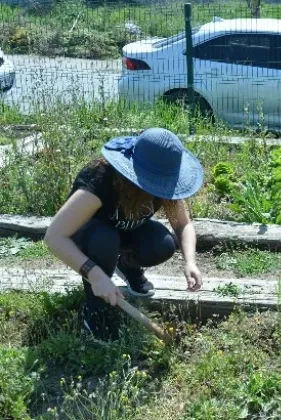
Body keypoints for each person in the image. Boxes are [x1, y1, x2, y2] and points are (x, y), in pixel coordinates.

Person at [44, 128, 205, 342]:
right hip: (90, 238)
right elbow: (54, 237)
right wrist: (95, 274)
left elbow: (183, 224)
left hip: (125, 231)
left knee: (162, 244)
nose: (160, 190)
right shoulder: (99, 182)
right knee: (105, 241)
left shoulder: (165, 184)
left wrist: (191, 262)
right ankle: (94, 312)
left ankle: (127, 266)